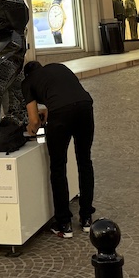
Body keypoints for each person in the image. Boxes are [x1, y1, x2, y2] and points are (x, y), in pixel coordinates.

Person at [22, 60, 95, 239]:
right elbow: (64, 93)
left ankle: (64, 223)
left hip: (62, 114)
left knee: (58, 166)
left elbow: (33, 121)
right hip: (85, 106)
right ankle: (86, 218)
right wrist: (49, 110)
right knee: (85, 161)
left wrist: (31, 129)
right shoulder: (58, 67)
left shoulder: (27, 82)